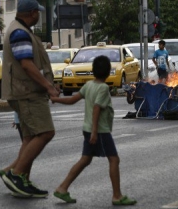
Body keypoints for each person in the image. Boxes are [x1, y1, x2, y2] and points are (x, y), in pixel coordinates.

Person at [50, 55, 137, 206]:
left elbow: (72, 100)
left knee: (85, 159)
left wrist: (55, 99)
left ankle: (62, 188)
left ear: (93, 71)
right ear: (109, 72)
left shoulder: (89, 85)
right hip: (100, 131)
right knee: (114, 159)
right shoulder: (103, 88)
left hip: (87, 129)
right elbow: (97, 108)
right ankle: (117, 196)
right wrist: (95, 132)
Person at [0, 0, 60, 198]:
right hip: (26, 92)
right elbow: (26, 64)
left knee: (31, 136)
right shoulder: (20, 33)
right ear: (32, 13)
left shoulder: (21, 30)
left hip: (25, 91)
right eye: (38, 12)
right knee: (45, 132)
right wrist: (48, 87)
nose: (39, 16)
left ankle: (15, 174)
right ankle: (17, 175)